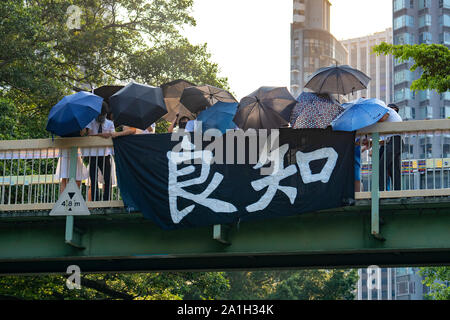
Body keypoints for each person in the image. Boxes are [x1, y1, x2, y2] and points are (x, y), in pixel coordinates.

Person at [84, 102, 115, 201]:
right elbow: (88, 135)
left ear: (105, 114)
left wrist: (108, 135)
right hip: (93, 154)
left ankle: (107, 201)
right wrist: (101, 135)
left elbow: (113, 135)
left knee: (107, 178)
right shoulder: (91, 122)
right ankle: (95, 201)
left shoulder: (110, 123)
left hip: (105, 154)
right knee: (93, 179)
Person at [378, 103, 404, 191]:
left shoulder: (388, 110)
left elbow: (382, 118)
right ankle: (397, 192)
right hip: (396, 141)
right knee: (394, 170)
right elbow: (384, 141)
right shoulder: (391, 122)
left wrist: (373, 121)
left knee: (382, 166)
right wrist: (370, 142)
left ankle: (381, 191)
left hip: (394, 141)